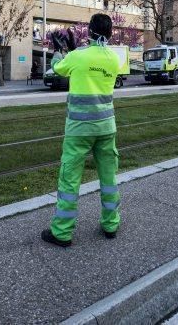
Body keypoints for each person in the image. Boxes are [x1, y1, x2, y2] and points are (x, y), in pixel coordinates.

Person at [41, 13, 121, 247]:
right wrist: (77, 51)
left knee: (69, 180)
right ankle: (111, 224)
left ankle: (62, 232)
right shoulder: (113, 59)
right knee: (109, 178)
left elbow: (58, 69)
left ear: (89, 31)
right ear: (109, 33)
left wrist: (58, 51)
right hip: (107, 128)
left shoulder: (77, 56)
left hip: (79, 130)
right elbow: (94, 67)